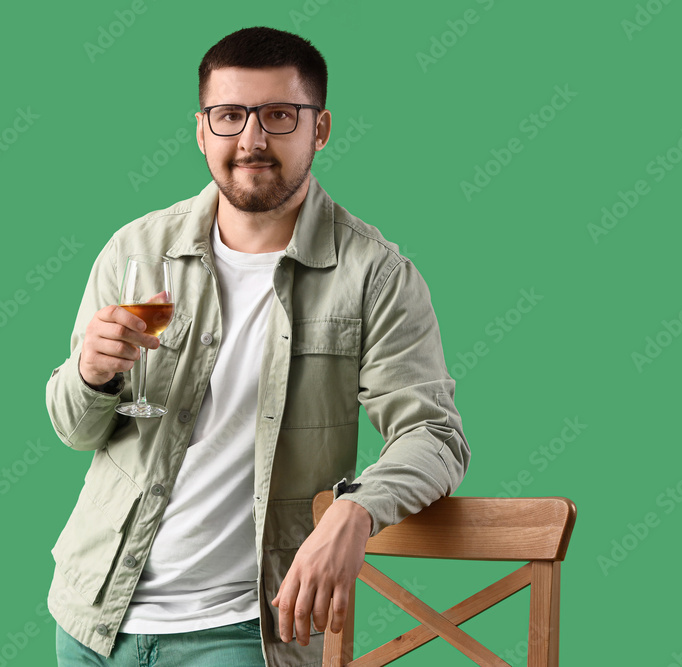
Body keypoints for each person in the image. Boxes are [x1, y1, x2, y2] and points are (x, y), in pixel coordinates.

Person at [45, 26, 470, 667]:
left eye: (278, 115)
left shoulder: (375, 275)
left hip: (246, 631)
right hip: (93, 615)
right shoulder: (134, 251)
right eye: (230, 116)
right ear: (201, 129)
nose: (251, 139)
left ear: (319, 129)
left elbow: (434, 437)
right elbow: (76, 430)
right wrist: (90, 375)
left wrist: (354, 514)